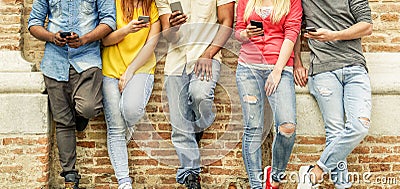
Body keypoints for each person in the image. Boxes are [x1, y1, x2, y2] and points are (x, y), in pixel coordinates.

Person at [28, 0, 116, 188]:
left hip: (87, 60)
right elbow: (34, 23)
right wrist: (52, 37)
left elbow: (109, 21)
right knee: (63, 122)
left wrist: (84, 39)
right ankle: (70, 176)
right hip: (54, 62)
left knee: (89, 108)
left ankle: (79, 113)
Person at [154, 0, 234, 188]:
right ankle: (191, 176)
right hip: (176, 62)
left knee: (200, 96)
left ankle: (198, 127)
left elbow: (227, 21)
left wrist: (208, 54)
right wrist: (173, 27)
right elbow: (168, 35)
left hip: (206, 56)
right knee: (180, 125)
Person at [295, 0, 373, 188]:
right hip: (323, 70)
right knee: (335, 132)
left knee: (359, 126)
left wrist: (334, 35)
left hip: (355, 67)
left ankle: (315, 172)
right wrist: (297, 63)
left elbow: (367, 26)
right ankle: (342, 186)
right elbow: (293, 30)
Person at [235, 0, 302, 188]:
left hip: (279, 67)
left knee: (287, 127)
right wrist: (245, 33)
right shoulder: (246, 1)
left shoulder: (291, 2)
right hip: (248, 68)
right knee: (253, 128)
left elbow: (292, 33)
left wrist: (278, 70)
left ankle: (275, 177)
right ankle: (256, 185)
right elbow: (238, 31)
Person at [100, 0, 160, 188]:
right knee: (115, 128)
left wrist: (130, 71)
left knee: (131, 110)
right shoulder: (113, 3)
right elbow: (105, 40)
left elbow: (151, 44)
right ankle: (124, 182)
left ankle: (128, 126)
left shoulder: (151, 7)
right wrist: (127, 30)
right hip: (110, 69)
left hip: (141, 67)